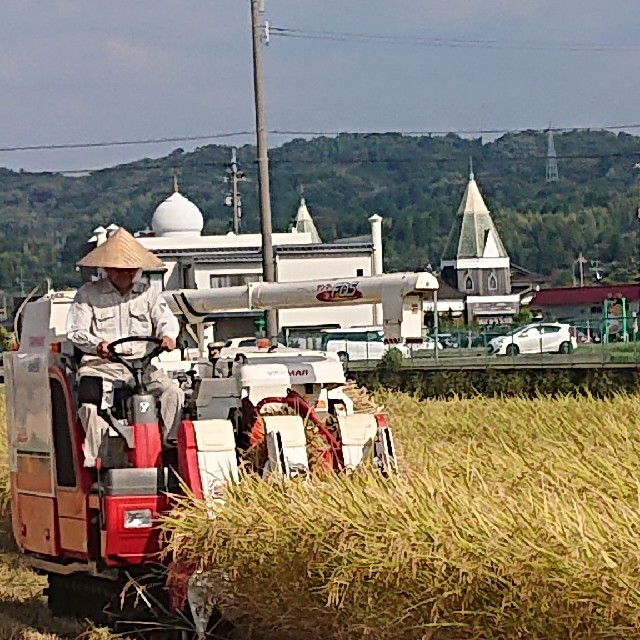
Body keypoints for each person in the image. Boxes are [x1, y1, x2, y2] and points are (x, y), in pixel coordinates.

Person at [66, 227, 185, 467]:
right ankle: (96, 461)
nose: (126, 273)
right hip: (101, 366)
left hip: (140, 365)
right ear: (107, 269)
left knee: (173, 392)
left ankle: (168, 446)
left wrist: (168, 337)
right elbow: (75, 332)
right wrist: (96, 345)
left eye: (131, 269)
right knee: (90, 404)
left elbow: (166, 320)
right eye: (120, 269)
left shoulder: (148, 294)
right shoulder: (88, 294)